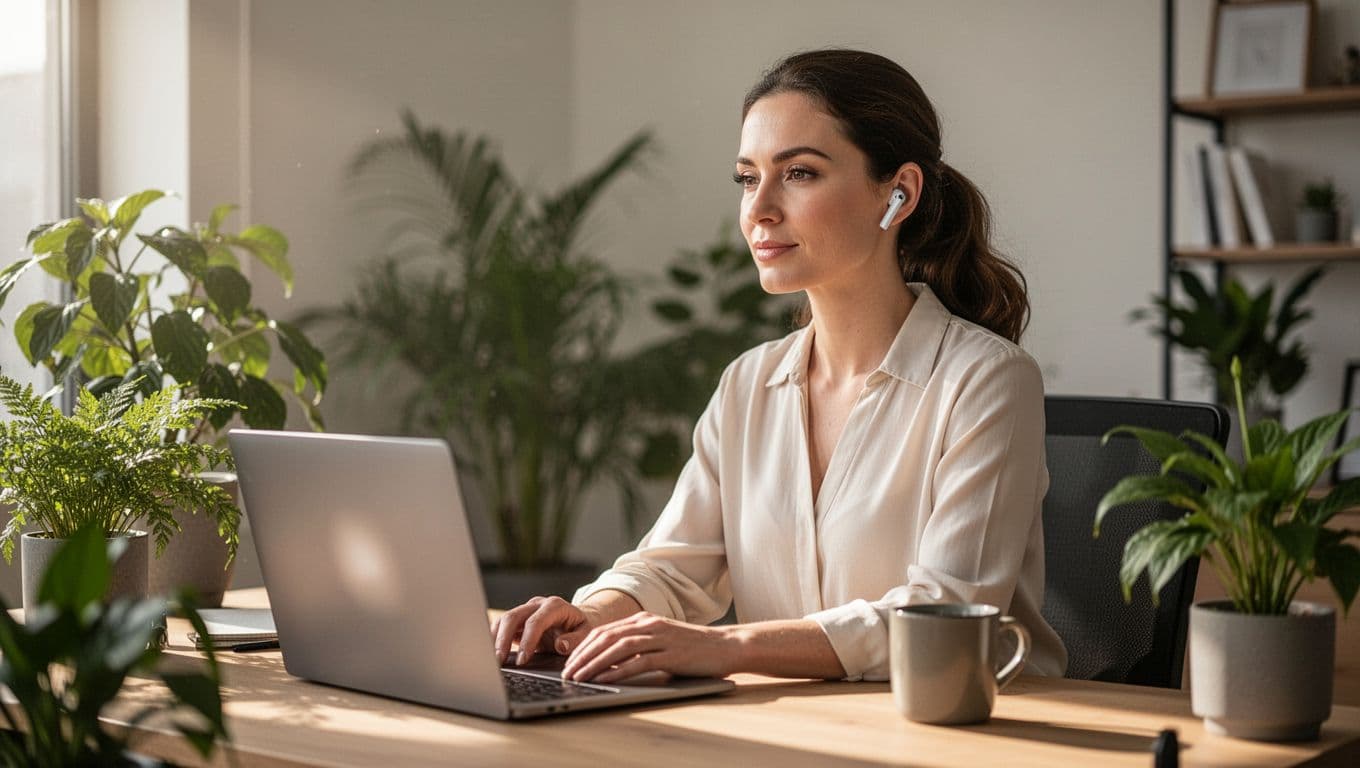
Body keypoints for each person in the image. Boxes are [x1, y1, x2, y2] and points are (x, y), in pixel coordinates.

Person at [492, 48, 1067, 684]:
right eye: (747, 177)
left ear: (898, 193)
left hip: (972, 735)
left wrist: (727, 648)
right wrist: (589, 614)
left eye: (798, 174)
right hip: (796, 732)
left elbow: (947, 614)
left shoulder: (986, 381)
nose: (759, 208)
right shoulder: (748, 384)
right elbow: (673, 567)